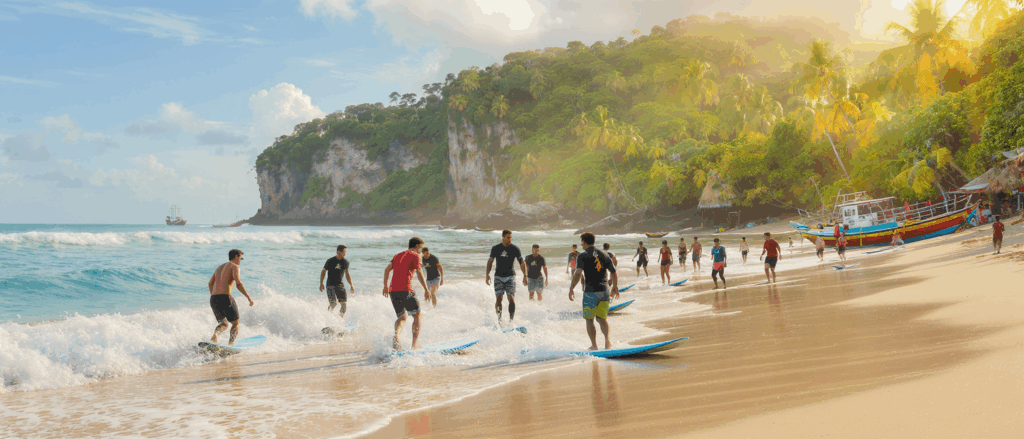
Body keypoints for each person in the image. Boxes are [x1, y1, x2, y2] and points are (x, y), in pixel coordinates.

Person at [568, 232, 619, 350]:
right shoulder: (605, 254)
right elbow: (614, 272)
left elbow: (578, 273)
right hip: (605, 291)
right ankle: (607, 342)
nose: (581, 245)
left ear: (584, 242)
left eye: (581, 242)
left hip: (590, 292)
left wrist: (571, 288)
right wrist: (614, 288)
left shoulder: (582, 256)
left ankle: (594, 345)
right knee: (602, 319)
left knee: (589, 319)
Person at [382, 237, 431, 350]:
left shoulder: (398, 255)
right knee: (417, 315)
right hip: (406, 290)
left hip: (393, 291)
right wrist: (426, 290)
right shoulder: (415, 256)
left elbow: (386, 269)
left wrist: (385, 285)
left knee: (402, 317)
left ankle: (396, 335)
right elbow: (419, 273)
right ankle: (414, 345)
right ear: (417, 246)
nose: (421, 251)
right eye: (421, 248)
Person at [208, 249, 255, 345]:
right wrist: (249, 298)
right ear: (237, 256)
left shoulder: (219, 268)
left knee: (224, 323)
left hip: (214, 298)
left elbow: (210, 284)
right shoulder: (235, 267)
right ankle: (231, 344)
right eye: (240, 258)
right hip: (225, 298)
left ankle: (215, 335)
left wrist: (215, 295)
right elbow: (238, 283)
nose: (240, 261)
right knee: (235, 323)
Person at [487, 229, 527, 322]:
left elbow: (522, 263)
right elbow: (490, 261)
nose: (510, 240)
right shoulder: (496, 248)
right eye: (508, 238)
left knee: (511, 299)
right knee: (499, 299)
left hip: (510, 276)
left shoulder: (515, 248)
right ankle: (499, 320)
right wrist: (487, 274)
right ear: (503, 237)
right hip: (498, 276)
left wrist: (525, 276)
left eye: (511, 237)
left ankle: (511, 320)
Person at [320, 245, 354, 317]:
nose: (344, 254)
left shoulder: (345, 262)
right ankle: (328, 318)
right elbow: (323, 271)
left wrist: (351, 285)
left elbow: (347, 274)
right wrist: (321, 283)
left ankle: (339, 320)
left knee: (344, 306)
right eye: (343, 252)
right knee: (333, 304)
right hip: (330, 284)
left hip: (340, 285)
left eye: (345, 252)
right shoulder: (330, 261)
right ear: (338, 252)